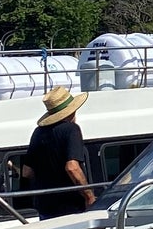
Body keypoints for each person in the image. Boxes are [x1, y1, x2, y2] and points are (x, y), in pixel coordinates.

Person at [21, 85, 97, 218]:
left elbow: (26, 172)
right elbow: (72, 167)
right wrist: (89, 196)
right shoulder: (71, 129)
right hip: (70, 207)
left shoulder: (38, 132)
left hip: (45, 208)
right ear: (71, 111)